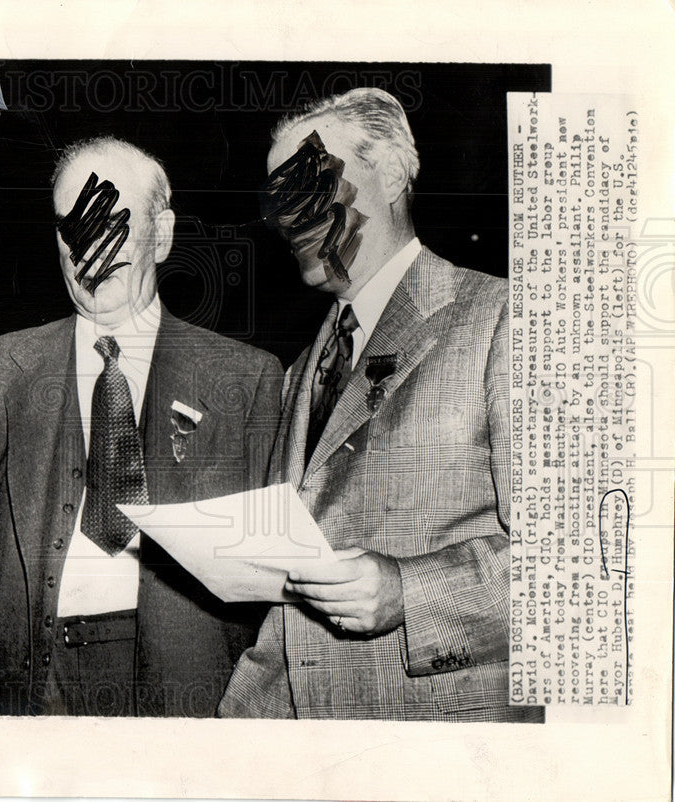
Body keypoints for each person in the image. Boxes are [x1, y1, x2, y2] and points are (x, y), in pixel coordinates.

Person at [219, 88, 543, 722]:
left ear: (391, 172)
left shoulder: (507, 318)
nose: (288, 216)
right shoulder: (298, 374)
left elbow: (577, 575)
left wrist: (409, 591)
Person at [0, 136, 283, 717]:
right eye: (72, 227)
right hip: (39, 684)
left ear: (164, 234)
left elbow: (277, 572)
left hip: (192, 691)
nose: (91, 249)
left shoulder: (248, 380)